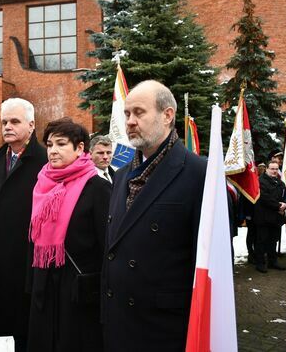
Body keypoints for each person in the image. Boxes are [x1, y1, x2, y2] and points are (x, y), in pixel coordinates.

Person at [102, 80, 206, 351]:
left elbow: (207, 264)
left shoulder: (200, 174)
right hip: (117, 323)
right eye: (127, 114)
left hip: (163, 330)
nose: (130, 122)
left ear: (167, 115)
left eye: (139, 113)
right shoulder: (122, 174)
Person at [27, 118, 111, 352]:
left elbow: (108, 246)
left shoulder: (97, 188)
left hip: (78, 294)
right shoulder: (42, 184)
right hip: (44, 289)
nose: (53, 151)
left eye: (61, 144)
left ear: (80, 148)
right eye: (50, 144)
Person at [0, 98, 47, 352]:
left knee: (32, 331)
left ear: (31, 125)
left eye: (14, 121)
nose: (7, 126)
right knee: (15, 329)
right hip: (4, 262)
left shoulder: (45, 162)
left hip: (32, 263)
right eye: (4, 122)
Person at [253, 160, 286, 273]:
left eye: (276, 169)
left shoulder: (280, 183)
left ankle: (272, 261)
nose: (274, 171)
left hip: (276, 218)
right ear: (267, 169)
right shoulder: (260, 181)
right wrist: (279, 206)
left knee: (273, 241)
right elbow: (265, 198)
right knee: (261, 241)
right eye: (272, 169)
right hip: (264, 217)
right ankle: (260, 263)